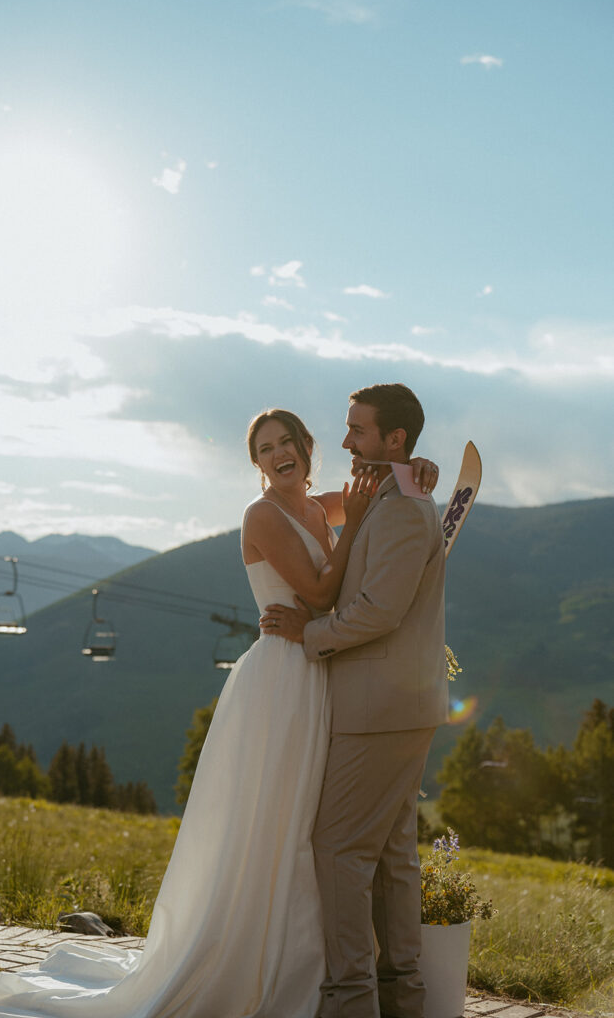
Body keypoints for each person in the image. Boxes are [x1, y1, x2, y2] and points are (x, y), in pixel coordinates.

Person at [0, 407, 439, 1018]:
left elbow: (383, 492)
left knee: (302, 821)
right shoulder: (263, 513)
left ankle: (299, 958)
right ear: (255, 462)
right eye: (265, 448)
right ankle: (248, 955)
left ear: (308, 449)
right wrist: (358, 518)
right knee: (271, 818)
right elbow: (316, 594)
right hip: (282, 678)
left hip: (319, 677)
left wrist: (417, 469)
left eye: (288, 442)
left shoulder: (319, 505)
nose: (279, 454)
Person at [262, 384, 448, 1018]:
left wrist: (309, 633)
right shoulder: (394, 494)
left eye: (358, 431)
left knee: (339, 850)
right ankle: (405, 999)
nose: (346, 441)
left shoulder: (400, 506)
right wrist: (413, 471)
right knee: (394, 857)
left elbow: (378, 611)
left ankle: (349, 1003)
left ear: (393, 439)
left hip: (378, 707)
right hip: (396, 705)